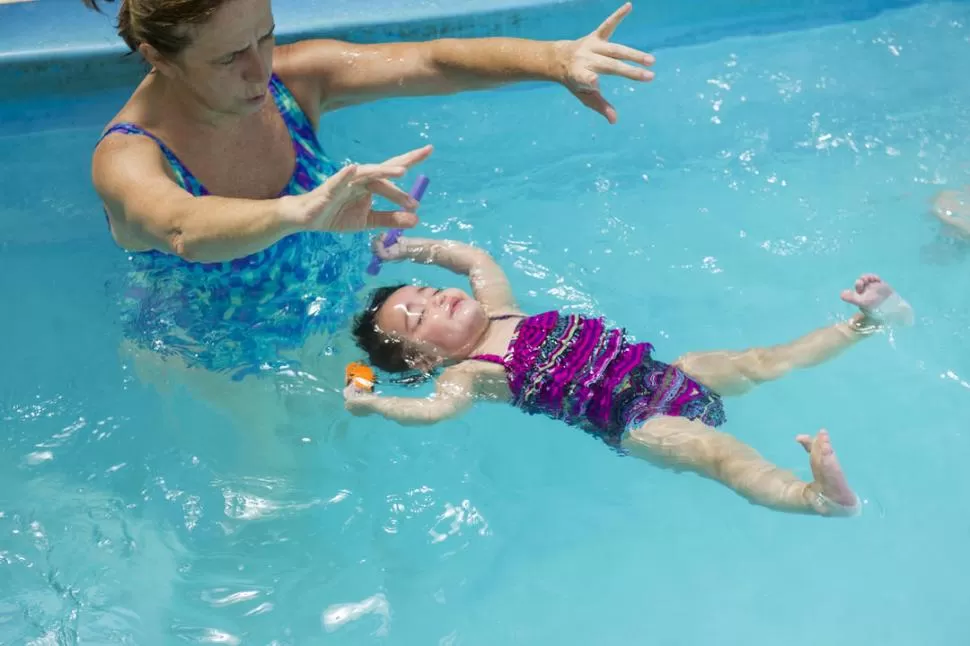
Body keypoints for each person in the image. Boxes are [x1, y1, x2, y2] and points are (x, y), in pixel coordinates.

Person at [84, 0, 655, 379]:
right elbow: (183, 228)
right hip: (210, 352)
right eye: (230, 56)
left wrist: (553, 59)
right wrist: (298, 212)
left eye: (265, 37)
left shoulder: (295, 80)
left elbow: (430, 60)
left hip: (339, 307)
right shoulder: (130, 155)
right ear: (158, 56)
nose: (259, 70)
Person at [344, 235, 915, 517]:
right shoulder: (467, 373)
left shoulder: (500, 307)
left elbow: (471, 260)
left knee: (760, 359)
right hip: (641, 422)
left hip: (669, 374)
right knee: (720, 455)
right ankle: (815, 498)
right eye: (418, 316)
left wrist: (408, 249)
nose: (435, 297)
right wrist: (371, 402)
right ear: (423, 360)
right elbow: (435, 411)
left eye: (425, 290)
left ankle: (865, 324)